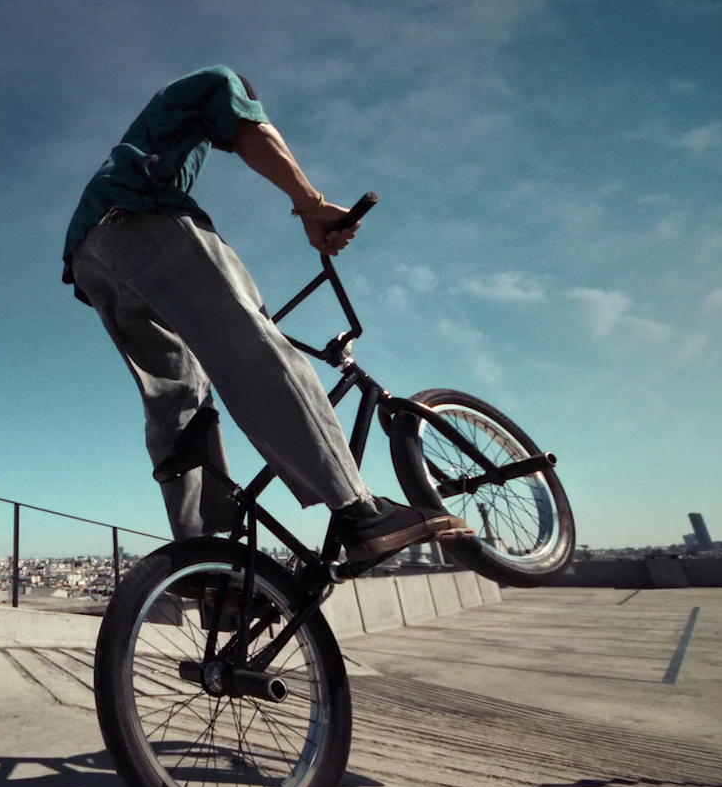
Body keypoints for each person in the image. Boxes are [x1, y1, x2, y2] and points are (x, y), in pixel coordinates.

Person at [63, 65, 466, 561]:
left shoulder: (149, 139)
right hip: (143, 218)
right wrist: (310, 204)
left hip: (90, 256)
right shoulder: (213, 83)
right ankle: (361, 512)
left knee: (180, 398)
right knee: (249, 345)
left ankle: (207, 562)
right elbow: (249, 128)